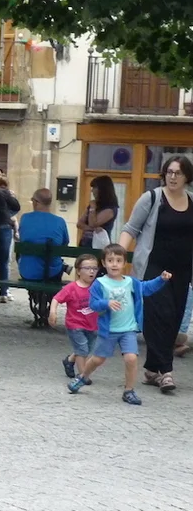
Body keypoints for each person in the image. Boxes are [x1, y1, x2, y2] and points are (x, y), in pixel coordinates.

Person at [118, 155, 193, 393]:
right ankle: (166, 372)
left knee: (173, 320)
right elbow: (130, 228)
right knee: (161, 315)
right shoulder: (151, 198)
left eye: (178, 173)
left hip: (182, 270)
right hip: (154, 268)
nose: (172, 177)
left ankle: (152, 369)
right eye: (169, 172)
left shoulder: (192, 200)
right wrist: (118, 257)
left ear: (187, 177)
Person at [69, 244, 171, 405]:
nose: (114, 264)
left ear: (124, 263)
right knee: (97, 359)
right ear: (104, 263)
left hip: (128, 329)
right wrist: (106, 303)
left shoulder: (131, 282)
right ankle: (82, 377)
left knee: (131, 358)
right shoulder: (99, 283)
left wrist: (161, 279)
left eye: (118, 260)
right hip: (109, 330)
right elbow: (93, 304)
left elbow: (147, 288)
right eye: (110, 260)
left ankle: (129, 391)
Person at [49, 254, 99, 379]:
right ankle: (83, 376)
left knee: (87, 348)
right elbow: (56, 299)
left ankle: (69, 360)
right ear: (78, 271)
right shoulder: (71, 288)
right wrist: (53, 312)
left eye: (94, 268)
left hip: (92, 325)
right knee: (82, 350)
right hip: (75, 325)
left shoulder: (98, 287)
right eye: (87, 268)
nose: (91, 271)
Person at [18, 189, 69, 282]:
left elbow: (22, 239)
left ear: (36, 202)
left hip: (27, 272)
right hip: (52, 273)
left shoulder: (25, 218)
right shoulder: (60, 221)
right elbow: (64, 244)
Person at [77, 175, 118, 248]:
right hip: (85, 243)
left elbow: (92, 223)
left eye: (94, 188)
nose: (92, 191)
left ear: (102, 189)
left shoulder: (110, 209)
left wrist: (92, 208)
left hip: (99, 245)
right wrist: (92, 229)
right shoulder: (93, 204)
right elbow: (79, 224)